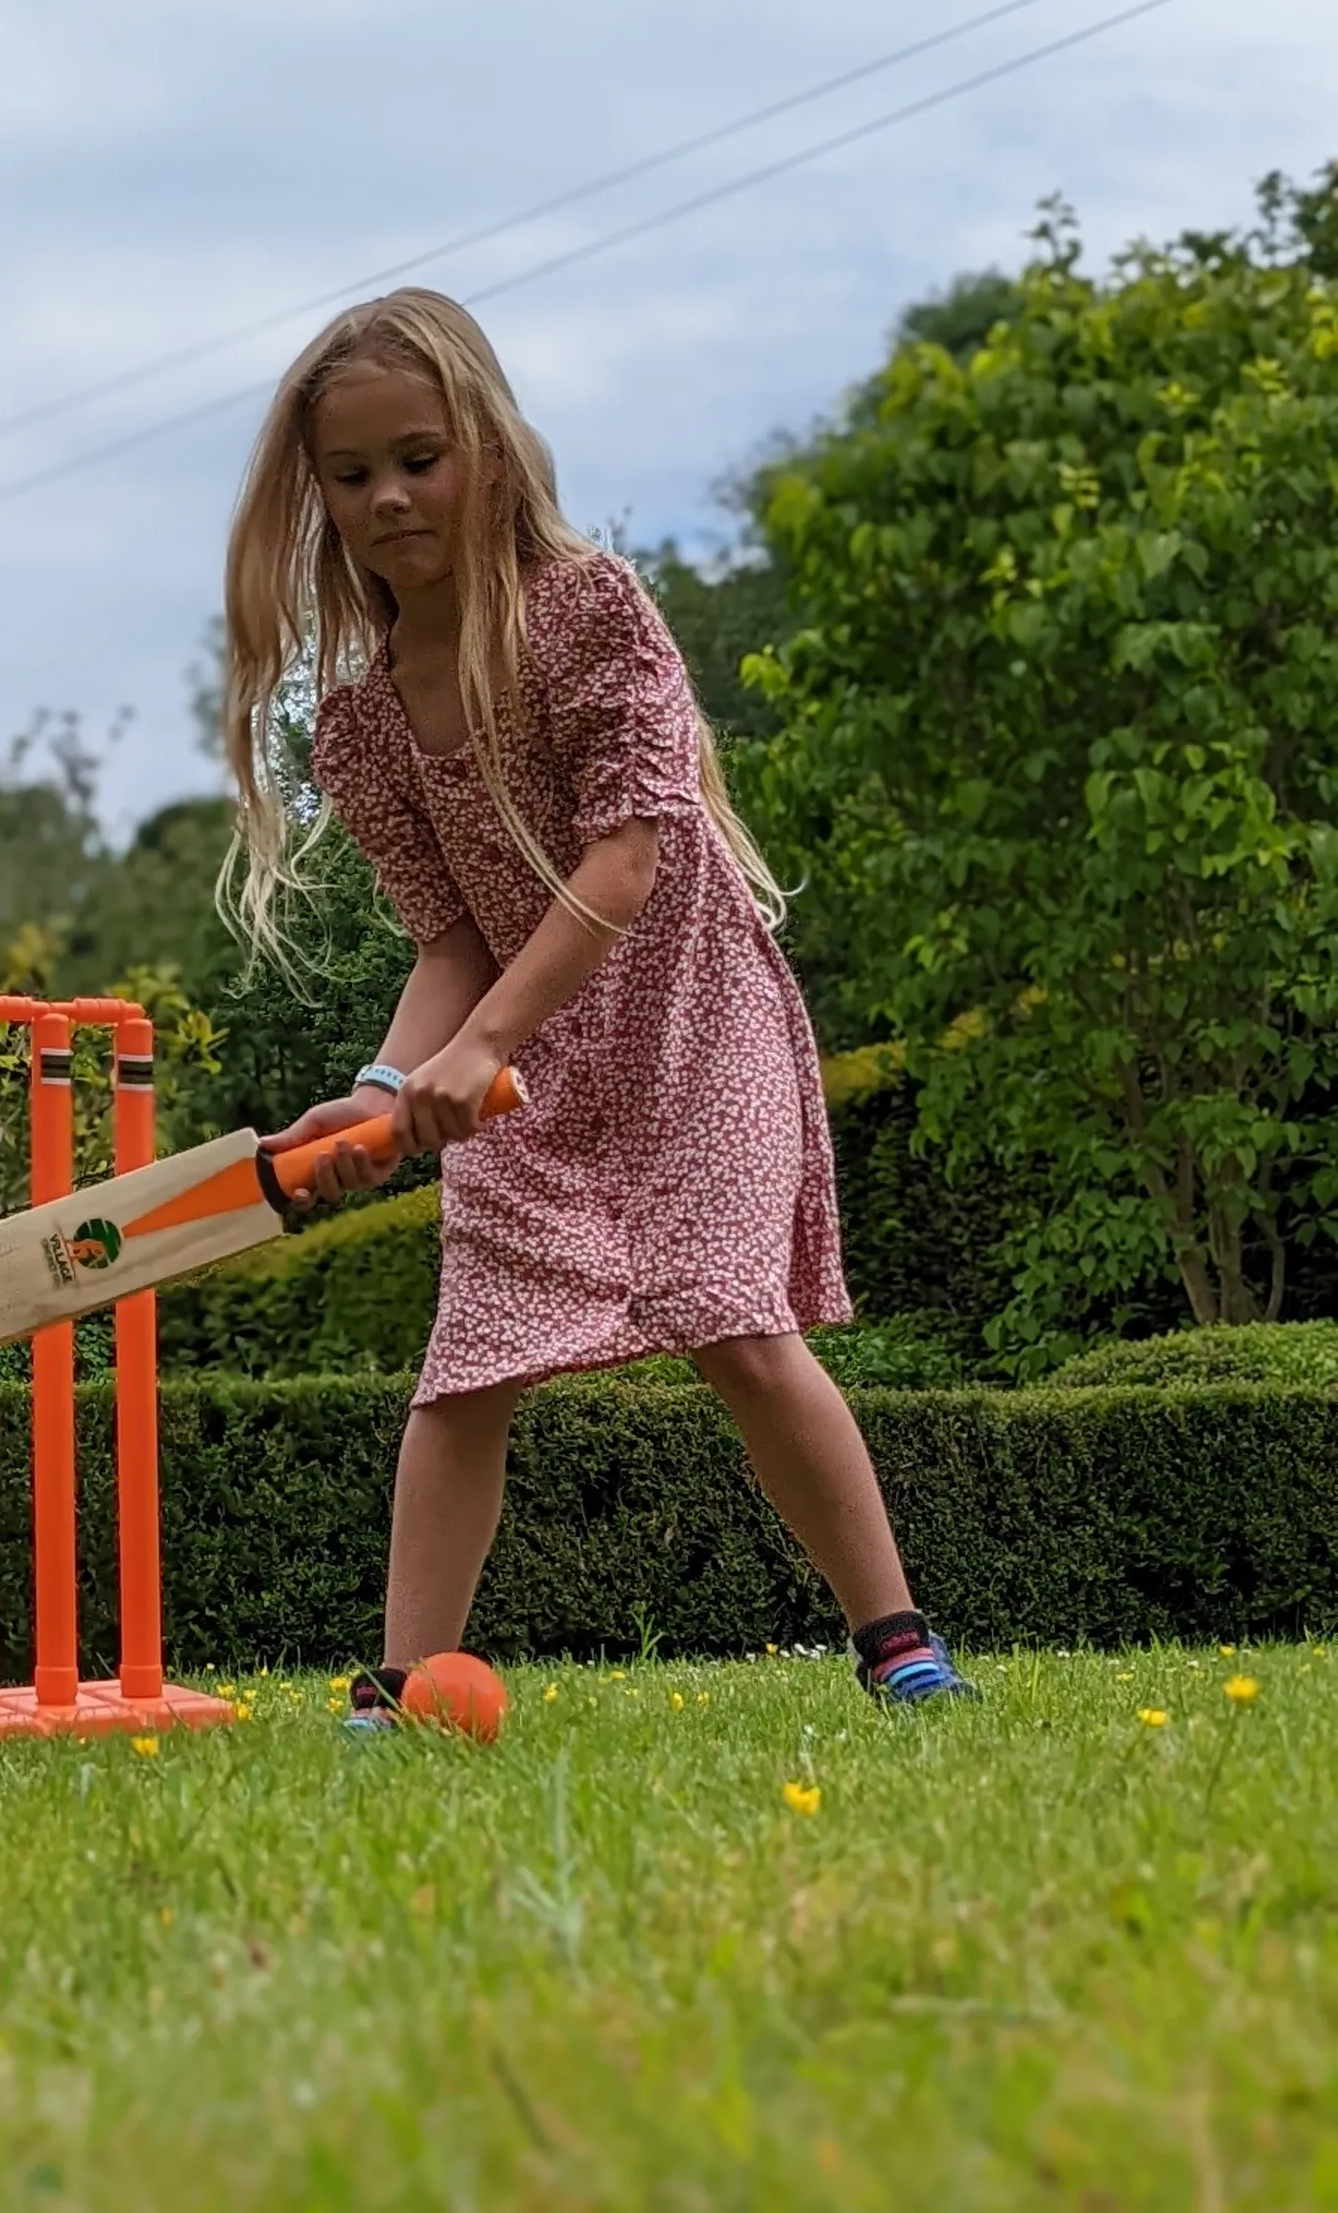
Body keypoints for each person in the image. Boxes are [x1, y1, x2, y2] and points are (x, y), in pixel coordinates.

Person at [216, 287, 971, 1716]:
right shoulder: (363, 721)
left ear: (490, 447)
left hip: (695, 1020)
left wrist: (484, 1041)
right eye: (353, 474)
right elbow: (449, 943)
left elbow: (629, 856)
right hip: (526, 1067)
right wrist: (387, 1093)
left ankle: (900, 1649)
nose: (388, 497)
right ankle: (393, 1692)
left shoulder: (588, 612)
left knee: (731, 1319)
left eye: (418, 458)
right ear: (317, 495)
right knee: (467, 1366)